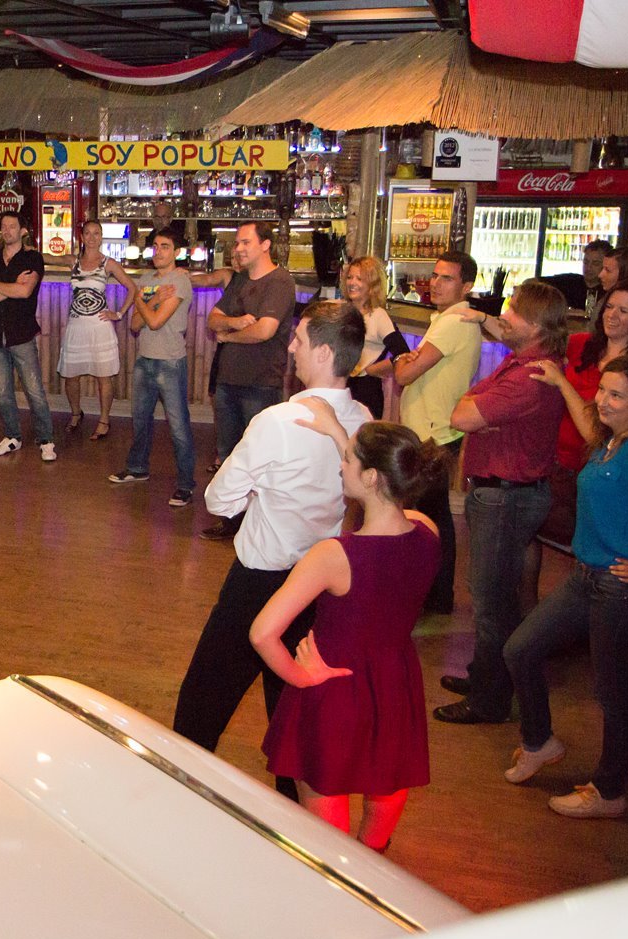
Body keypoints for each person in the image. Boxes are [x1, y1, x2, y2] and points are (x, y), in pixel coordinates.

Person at [172, 300, 371, 793]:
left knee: (202, 703)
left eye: (300, 340)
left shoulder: (279, 421)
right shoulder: (363, 418)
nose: (292, 347)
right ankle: (293, 817)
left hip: (258, 584)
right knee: (289, 712)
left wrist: (254, 491)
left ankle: (179, 791)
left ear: (323, 353)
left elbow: (219, 500)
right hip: (320, 587)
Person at [503, 353, 628, 818]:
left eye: (615, 394)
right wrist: (562, 382)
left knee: (614, 694)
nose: (601, 401)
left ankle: (609, 792)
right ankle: (540, 741)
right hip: (587, 579)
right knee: (520, 649)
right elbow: (590, 425)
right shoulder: (612, 443)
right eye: (601, 390)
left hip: (624, 590)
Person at [254, 414, 447, 849]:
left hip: (335, 689)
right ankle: (374, 858)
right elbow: (390, 507)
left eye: (346, 459)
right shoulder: (428, 531)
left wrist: (301, 676)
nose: (341, 465)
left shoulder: (334, 556)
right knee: (387, 784)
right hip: (394, 682)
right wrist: (347, 439)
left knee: (327, 836)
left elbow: (262, 632)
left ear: (373, 475)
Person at [433, 279, 567, 724]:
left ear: (534, 325)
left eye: (512, 311)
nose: (504, 316)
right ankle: (485, 676)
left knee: (492, 602)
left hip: (507, 496)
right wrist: (475, 409)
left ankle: (490, 699)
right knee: (492, 597)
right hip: (501, 493)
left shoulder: (530, 375)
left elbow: (461, 414)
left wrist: (476, 411)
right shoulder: (522, 362)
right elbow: (469, 404)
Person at [522, 280, 628, 598]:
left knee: (592, 548)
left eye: (624, 310)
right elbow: (535, 335)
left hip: (597, 468)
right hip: (560, 463)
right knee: (536, 532)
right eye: (609, 306)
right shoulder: (582, 344)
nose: (612, 315)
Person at [392, 251, 484, 615]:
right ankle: (435, 594)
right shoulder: (451, 319)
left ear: (467, 286)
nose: (436, 282)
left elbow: (403, 375)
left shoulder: (453, 322)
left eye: (446, 278)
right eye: (435, 275)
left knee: (425, 517)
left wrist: (404, 360)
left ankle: (432, 595)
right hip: (436, 429)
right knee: (432, 515)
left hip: (432, 432)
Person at [200, 221, 298, 540]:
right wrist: (233, 323)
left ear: (265, 245)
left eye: (245, 242)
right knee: (229, 453)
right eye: (237, 243)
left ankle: (260, 526)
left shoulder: (280, 281)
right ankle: (233, 523)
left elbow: (265, 331)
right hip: (229, 380)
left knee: (260, 456)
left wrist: (229, 336)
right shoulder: (240, 279)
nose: (238, 248)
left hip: (261, 382)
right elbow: (213, 318)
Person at [106, 230, 198, 506]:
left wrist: (140, 301)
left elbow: (155, 322)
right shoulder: (146, 280)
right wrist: (153, 300)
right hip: (145, 359)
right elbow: (135, 325)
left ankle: (185, 484)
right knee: (140, 420)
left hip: (170, 361)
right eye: (155, 247)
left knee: (179, 426)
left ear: (176, 252)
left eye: (165, 247)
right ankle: (138, 468)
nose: (158, 252)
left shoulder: (180, 282)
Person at [0, 212, 56, 462]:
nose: (7, 230)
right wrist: (11, 284)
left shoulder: (33, 258)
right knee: (3, 392)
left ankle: (46, 440)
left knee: (34, 390)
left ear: (23, 231)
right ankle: (12, 436)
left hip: (21, 334)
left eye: (12, 226)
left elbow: (25, 292)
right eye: (4, 226)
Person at [57, 220, 138, 441]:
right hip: (76, 324)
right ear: (81, 236)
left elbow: (132, 287)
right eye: (88, 233)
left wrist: (119, 313)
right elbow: (47, 258)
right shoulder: (73, 261)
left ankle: (104, 420)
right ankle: (76, 413)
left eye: (96, 233)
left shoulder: (108, 263)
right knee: (70, 376)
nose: (92, 237)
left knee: (104, 376)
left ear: (101, 237)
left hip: (100, 326)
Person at [340, 256, 408, 420]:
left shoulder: (378, 315)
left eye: (359, 279)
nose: (352, 283)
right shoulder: (343, 310)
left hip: (367, 388)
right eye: (349, 277)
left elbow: (403, 353)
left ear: (372, 285)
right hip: (343, 383)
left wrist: (371, 370)